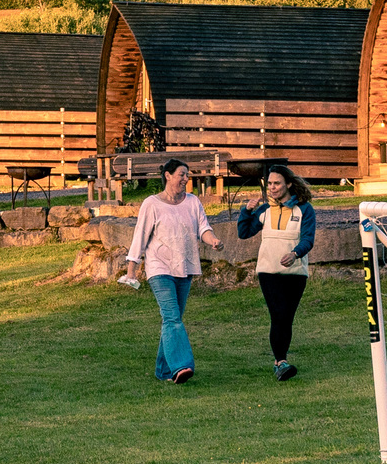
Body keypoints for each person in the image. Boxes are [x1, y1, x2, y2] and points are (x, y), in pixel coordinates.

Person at [121, 159, 215, 383]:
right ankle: (181, 366)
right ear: (168, 176)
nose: (186, 179)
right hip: (159, 268)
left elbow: (204, 227)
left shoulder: (193, 202)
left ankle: (163, 371)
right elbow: (140, 236)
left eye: (187, 175)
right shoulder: (152, 204)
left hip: (185, 267)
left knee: (172, 320)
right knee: (172, 317)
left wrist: (213, 241)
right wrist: (131, 270)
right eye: (182, 174)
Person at [235, 163, 317, 381]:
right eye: (269, 183)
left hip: (296, 272)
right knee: (278, 313)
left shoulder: (305, 209)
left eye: (277, 183)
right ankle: (281, 362)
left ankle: (280, 360)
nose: (272, 187)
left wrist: (295, 253)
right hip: (268, 271)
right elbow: (243, 233)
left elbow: (308, 239)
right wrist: (246, 211)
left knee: (286, 317)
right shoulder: (264, 210)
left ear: (288, 184)